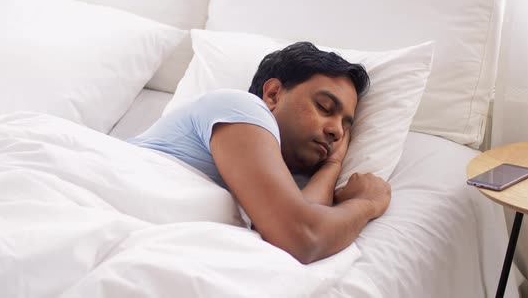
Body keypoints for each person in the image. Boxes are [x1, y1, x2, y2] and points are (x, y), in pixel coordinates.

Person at [128, 42, 391, 264]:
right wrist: (368, 203)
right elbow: (303, 238)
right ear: (274, 94)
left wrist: (332, 164)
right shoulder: (241, 107)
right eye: (324, 107)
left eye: (346, 126)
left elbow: (302, 223)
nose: (336, 131)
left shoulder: (272, 175)